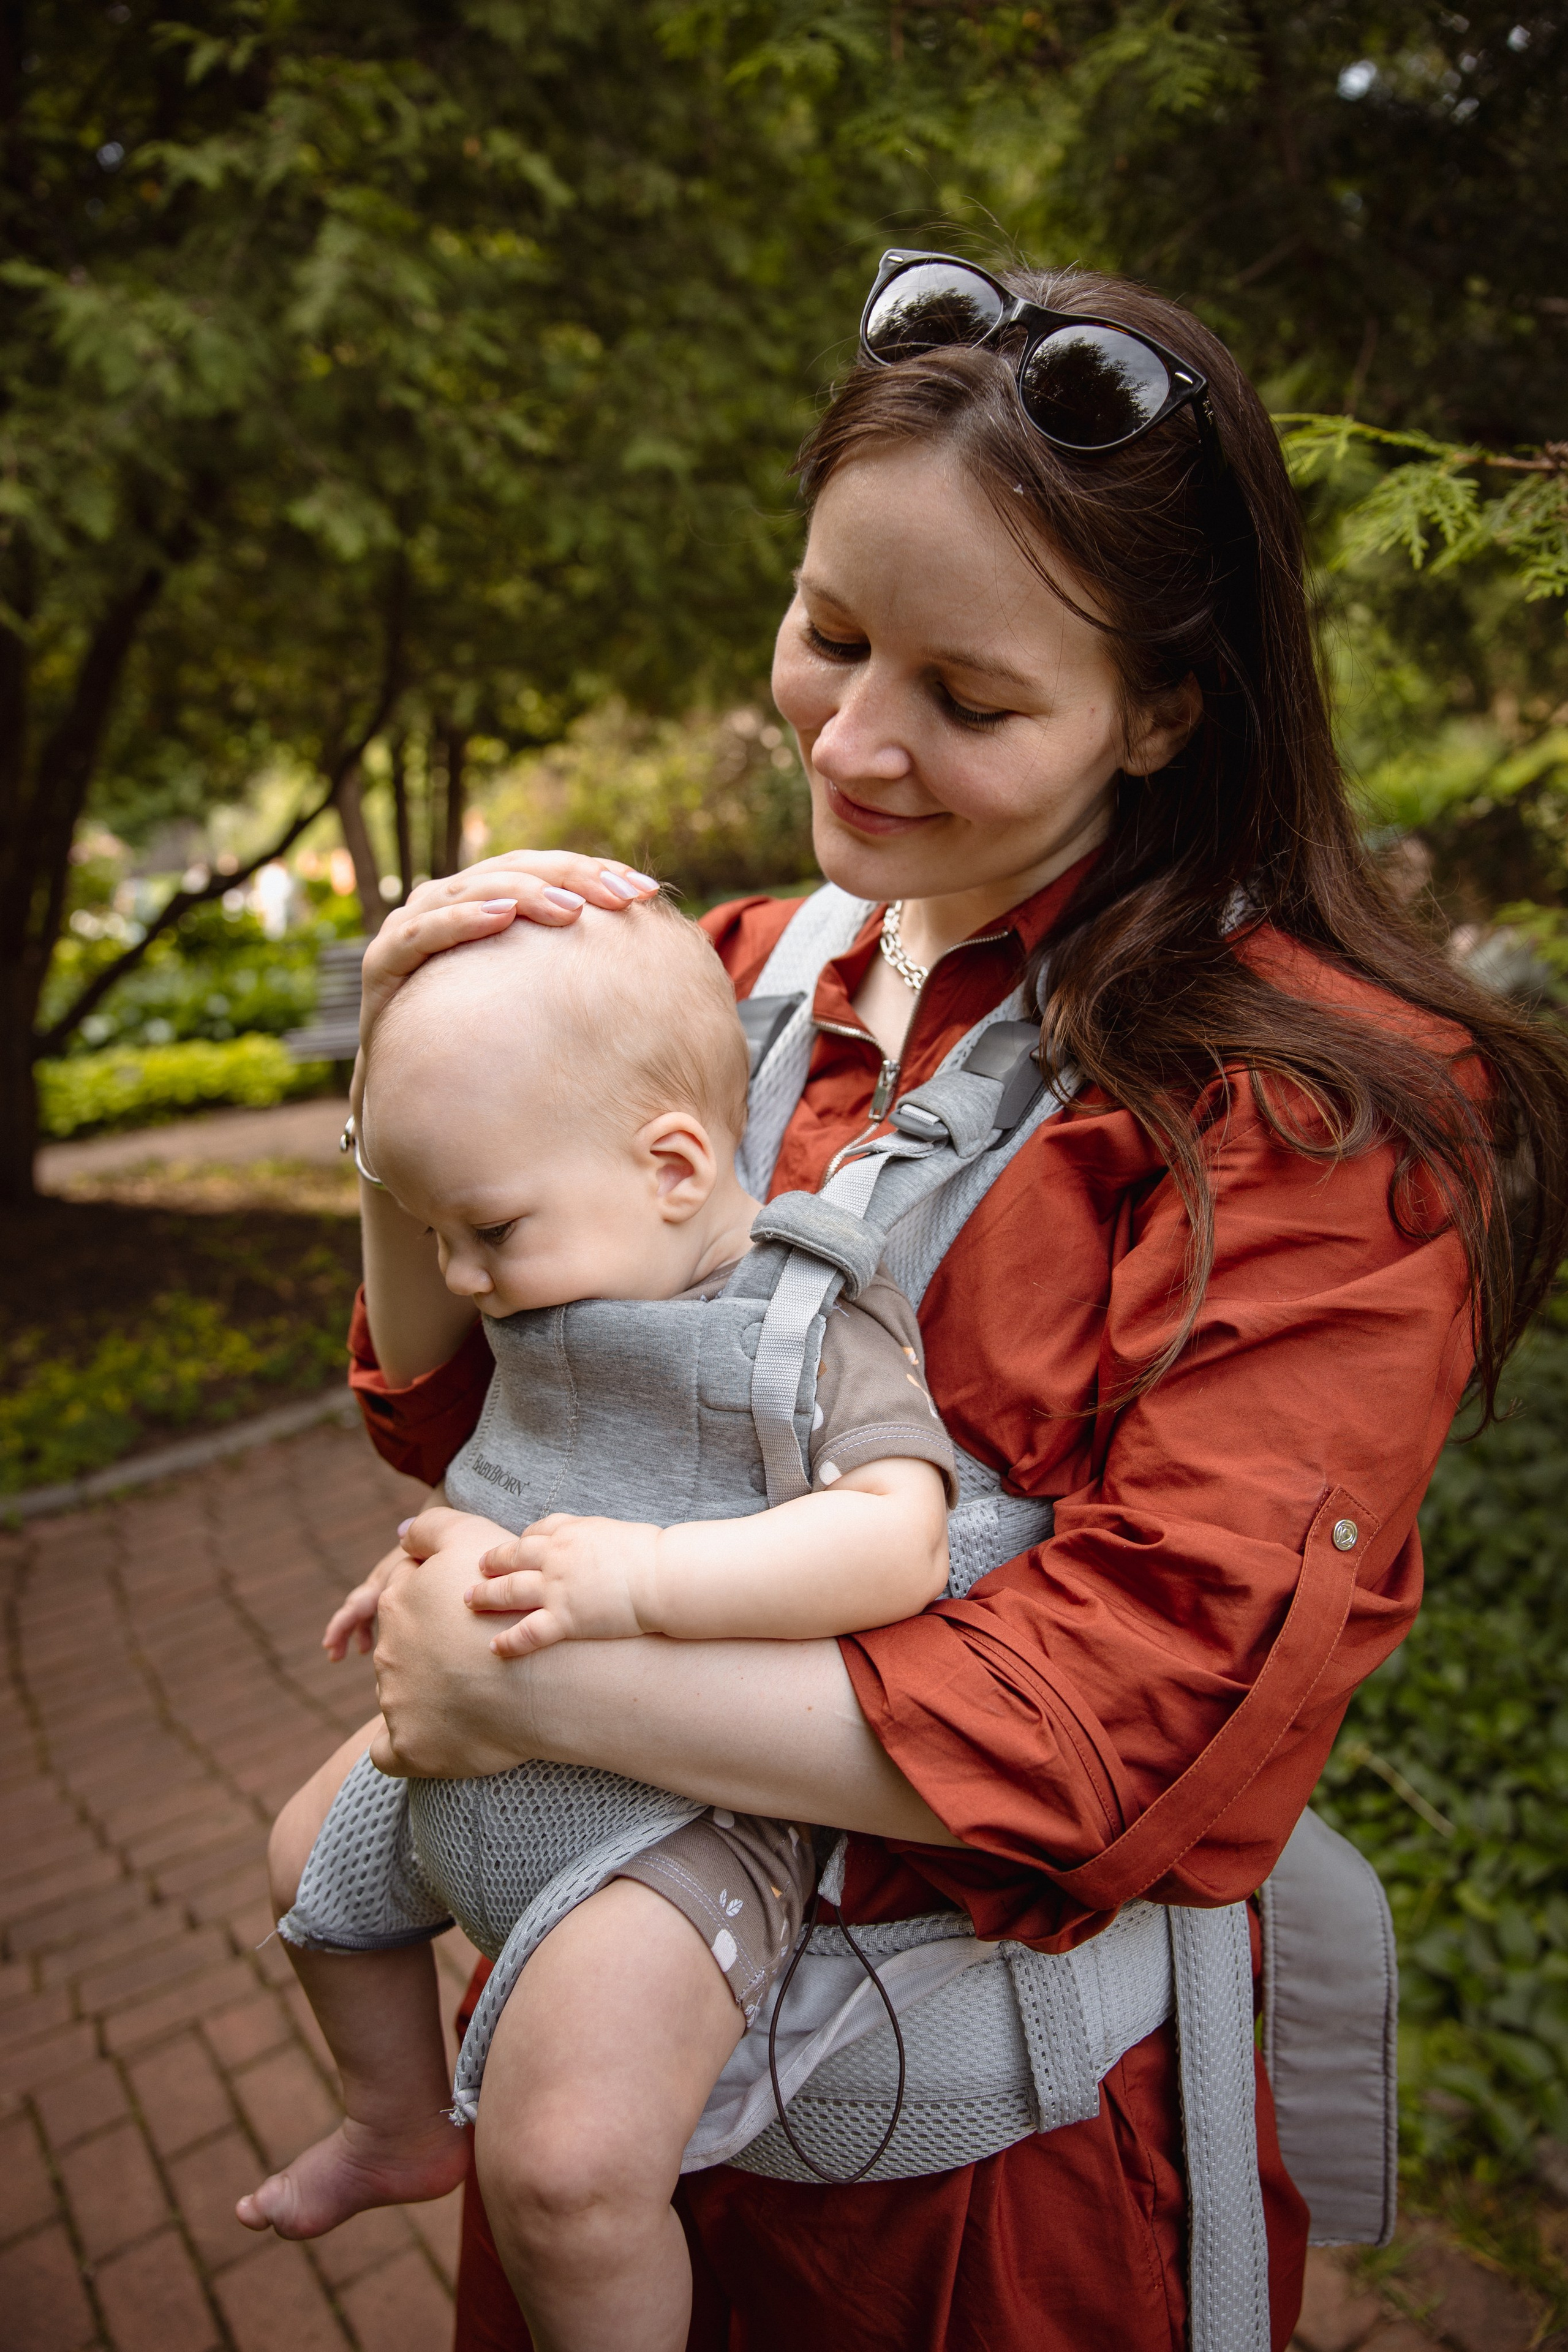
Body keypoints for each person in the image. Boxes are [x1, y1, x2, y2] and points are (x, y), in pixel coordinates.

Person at [342, 255, 1568, 2350]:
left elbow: (1135, 1713)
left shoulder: (1301, 1110)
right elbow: (482, 1427)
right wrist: (412, 1109)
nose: (860, 735)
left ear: (1167, 710)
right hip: (604, 2084)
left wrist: (526, 1692)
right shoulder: (716, 979)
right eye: (832, 635)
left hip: (969, 2218)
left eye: (975, 702)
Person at [236, 899, 960, 2352]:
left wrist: (643, 1586)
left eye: (484, 1231)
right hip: (481, 1733)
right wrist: (420, 1579)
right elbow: (519, 1473)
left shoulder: (801, 1318)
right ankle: (391, 2120)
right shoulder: (567, 1264)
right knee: (302, 1861)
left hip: (684, 1804)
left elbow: (899, 1538)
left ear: (675, 1165)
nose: (455, 1278)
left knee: (563, 2172)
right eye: (440, 1233)